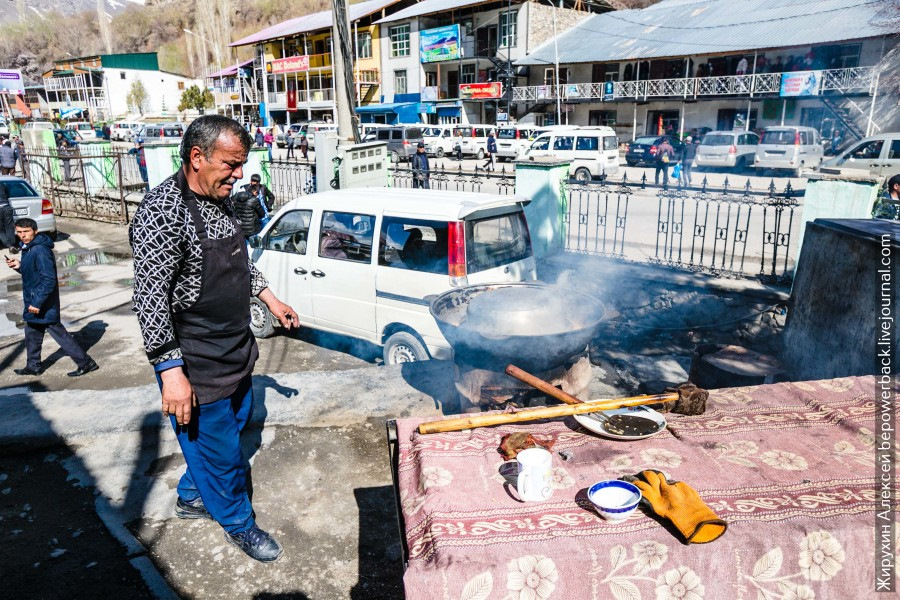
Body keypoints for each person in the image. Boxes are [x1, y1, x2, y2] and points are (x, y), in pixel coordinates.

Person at [129, 115, 298, 563]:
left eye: (243, 164)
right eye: (231, 163)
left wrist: (269, 297)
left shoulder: (220, 199)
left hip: (235, 349)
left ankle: (191, 496)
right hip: (196, 360)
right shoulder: (160, 213)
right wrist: (170, 373)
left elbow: (241, 261)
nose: (239, 174)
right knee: (224, 456)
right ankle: (239, 525)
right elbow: (149, 299)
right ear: (197, 157)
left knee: (232, 431)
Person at [6, 218, 99, 377]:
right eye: (19, 232)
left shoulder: (40, 250)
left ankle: (86, 363)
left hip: (42, 302)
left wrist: (37, 303)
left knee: (59, 334)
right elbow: (33, 274)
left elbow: (48, 280)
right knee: (32, 333)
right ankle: (33, 366)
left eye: (26, 232)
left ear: (35, 231)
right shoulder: (28, 248)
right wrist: (19, 266)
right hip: (34, 299)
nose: (22, 235)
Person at [0, 182, 16, 249]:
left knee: (0, 230)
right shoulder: (2, 185)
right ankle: (12, 245)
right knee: (9, 227)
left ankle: (9, 245)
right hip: (7, 206)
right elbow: (8, 194)